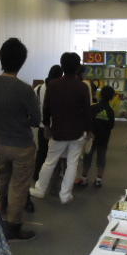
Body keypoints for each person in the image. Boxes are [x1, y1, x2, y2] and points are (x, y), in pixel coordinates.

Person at [0, 38, 40, 240]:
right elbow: (36, 119)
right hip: (21, 145)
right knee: (18, 186)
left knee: (1, 180)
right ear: (22, 61)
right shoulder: (25, 89)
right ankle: (13, 226)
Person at [30, 52, 91, 205]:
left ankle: (40, 190)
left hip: (57, 131)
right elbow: (87, 111)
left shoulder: (53, 85)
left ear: (62, 66)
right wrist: (88, 130)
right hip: (77, 132)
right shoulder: (83, 87)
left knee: (49, 161)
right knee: (72, 163)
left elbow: (46, 108)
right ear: (78, 68)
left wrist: (46, 126)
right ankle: (65, 195)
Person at [76, 85, 115, 188]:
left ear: (100, 95)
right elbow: (111, 126)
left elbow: (86, 121)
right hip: (104, 138)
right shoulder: (110, 111)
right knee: (101, 158)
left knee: (87, 157)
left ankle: (84, 178)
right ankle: (98, 180)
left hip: (91, 137)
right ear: (111, 97)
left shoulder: (93, 107)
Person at [33, 65, 63, 181]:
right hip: (56, 127)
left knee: (41, 152)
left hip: (42, 126)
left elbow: (33, 106)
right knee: (55, 154)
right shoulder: (60, 88)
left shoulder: (38, 88)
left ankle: (37, 175)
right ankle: (52, 178)